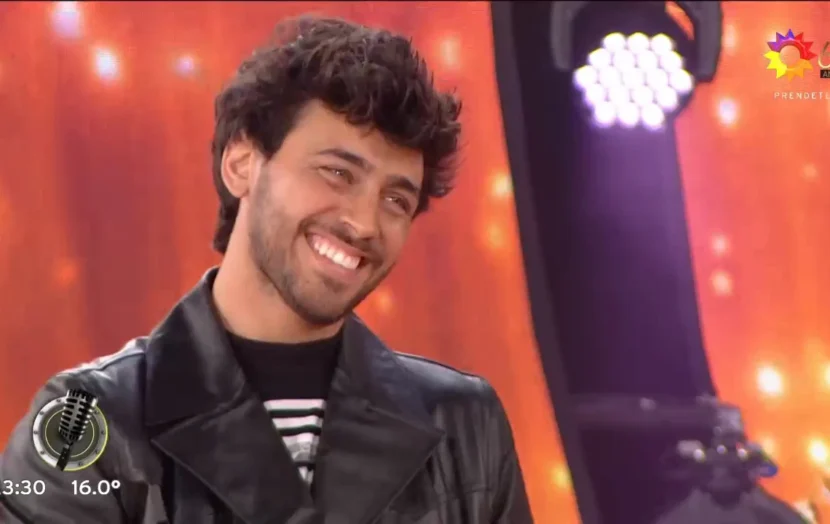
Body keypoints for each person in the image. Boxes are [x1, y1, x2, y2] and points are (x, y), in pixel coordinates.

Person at [0, 15, 532, 524]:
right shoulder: (88, 420)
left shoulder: (465, 423)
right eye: (338, 173)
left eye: (396, 199)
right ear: (241, 165)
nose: (364, 223)